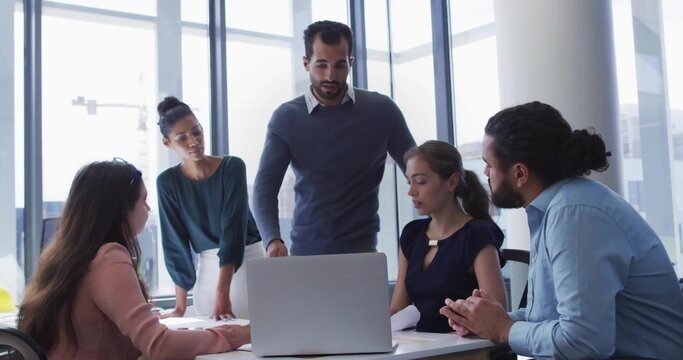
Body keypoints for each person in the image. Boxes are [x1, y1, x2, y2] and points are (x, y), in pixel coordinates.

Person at [440, 101, 683, 359]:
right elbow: (549, 317)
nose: (486, 172)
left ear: (520, 173)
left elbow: (583, 342)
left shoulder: (574, 213)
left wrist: (503, 328)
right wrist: (487, 321)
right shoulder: (560, 208)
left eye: (489, 164)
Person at [17, 160, 250, 359]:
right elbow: (159, 345)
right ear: (121, 209)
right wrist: (241, 333)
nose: (148, 208)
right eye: (144, 200)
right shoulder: (108, 258)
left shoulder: (66, 255)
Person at [253, 20, 415, 257]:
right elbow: (264, 190)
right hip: (305, 256)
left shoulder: (382, 110)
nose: (330, 75)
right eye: (321, 65)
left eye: (339, 66)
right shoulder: (286, 118)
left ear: (351, 63)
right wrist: (272, 240)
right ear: (306, 63)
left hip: (363, 254)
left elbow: (418, 170)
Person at [156, 96, 263, 320]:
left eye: (196, 132)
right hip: (206, 274)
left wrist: (222, 291)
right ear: (168, 143)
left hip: (246, 265)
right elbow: (175, 244)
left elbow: (233, 232)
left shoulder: (232, 167)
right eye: (182, 138)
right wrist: (180, 307)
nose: (193, 142)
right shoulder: (167, 183)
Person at [390, 141, 507, 333]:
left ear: (451, 182)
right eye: (409, 182)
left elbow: (497, 316)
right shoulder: (412, 234)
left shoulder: (476, 235)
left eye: (420, 181)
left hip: (463, 350)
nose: (411, 191)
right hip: (420, 348)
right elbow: (397, 309)